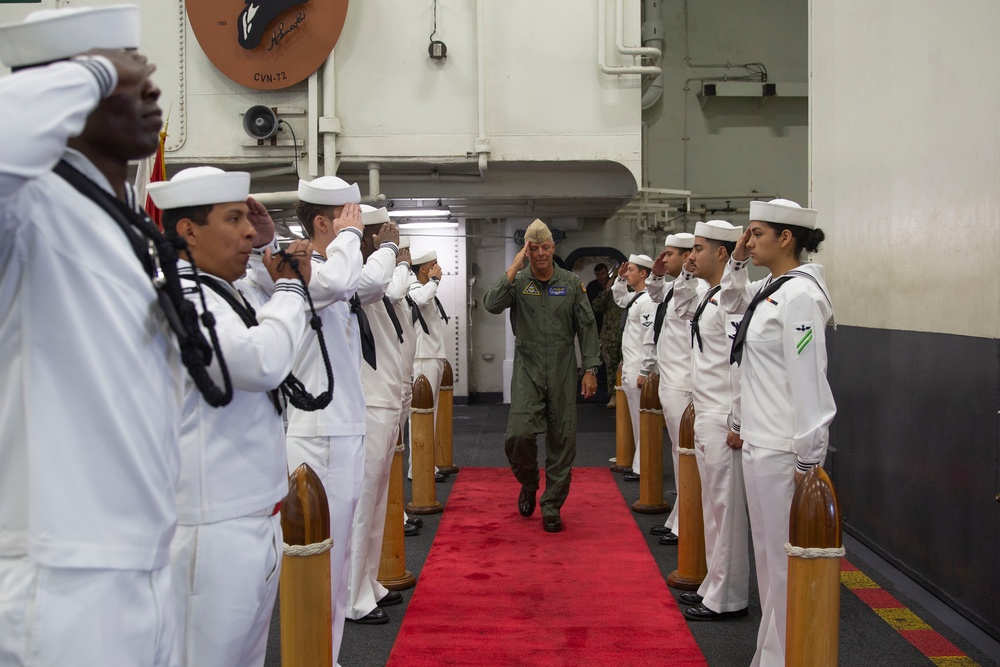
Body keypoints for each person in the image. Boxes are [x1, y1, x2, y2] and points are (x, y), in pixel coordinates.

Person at [0, 7, 183, 665]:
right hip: (64, 578)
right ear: (67, 87)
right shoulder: (26, 210)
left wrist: (104, 70)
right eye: (128, 76)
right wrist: (95, 71)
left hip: (145, 562)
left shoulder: (119, 223)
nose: (151, 86)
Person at [149, 167, 313, 667]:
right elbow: (260, 360)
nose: (248, 230)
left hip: (247, 518)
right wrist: (290, 291)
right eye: (233, 218)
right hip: (211, 529)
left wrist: (268, 245)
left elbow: (266, 300)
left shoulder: (218, 287)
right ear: (188, 231)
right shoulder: (181, 296)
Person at [718, 199, 835, 666]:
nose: (749, 240)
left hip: (785, 450)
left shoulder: (800, 296)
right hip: (759, 445)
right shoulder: (770, 287)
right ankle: (772, 655)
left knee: (785, 567)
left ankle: (788, 657)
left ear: (787, 238)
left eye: (757, 232)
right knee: (768, 565)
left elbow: (809, 378)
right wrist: (739, 257)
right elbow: (729, 301)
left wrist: (809, 459)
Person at [273, 175, 364, 660]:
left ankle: (325, 656)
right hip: (321, 437)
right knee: (322, 566)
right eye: (348, 220)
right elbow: (342, 278)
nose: (358, 230)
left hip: (339, 431)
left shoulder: (328, 270)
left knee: (340, 565)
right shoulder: (309, 271)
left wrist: (349, 241)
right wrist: (349, 238)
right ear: (323, 222)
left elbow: (357, 280)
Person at [483, 219, 600, 533]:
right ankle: (528, 482)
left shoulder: (571, 283)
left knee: (562, 438)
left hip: (562, 363)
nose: (540, 253)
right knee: (518, 434)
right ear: (527, 251)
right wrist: (513, 266)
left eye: (545, 247)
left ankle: (551, 506)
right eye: (533, 249)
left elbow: (586, 327)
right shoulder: (519, 282)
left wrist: (590, 369)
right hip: (528, 365)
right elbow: (491, 304)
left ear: (553, 248)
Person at [667, 220, 750, 622]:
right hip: (706, 410)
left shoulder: (732, 301)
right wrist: (685, 270)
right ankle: (713, 586)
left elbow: (738, 363)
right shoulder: (709, 295)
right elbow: (680, 304)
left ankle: (728, 596)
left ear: (722, 253)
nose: (691, 256)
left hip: (722, 417)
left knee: (726, 508)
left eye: (698, 249)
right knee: (713, 508)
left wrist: (737, 419)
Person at [348, 206, 407, 624]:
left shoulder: (377, 276)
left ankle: (369, 582)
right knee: (362, 503)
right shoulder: (357, 275)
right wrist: (385, 248)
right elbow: (373, 285)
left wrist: (385, 250)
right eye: (381, 232)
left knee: (378, 498)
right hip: (369, 400)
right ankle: (352, 596)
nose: (392, 238)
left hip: (385, 396)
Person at [645, 232, 696, 545]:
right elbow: (655, 294)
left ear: (689, 256)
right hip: (671, 381)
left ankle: (684, 523)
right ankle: (679, 516)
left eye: (671, 254)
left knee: (684, 459)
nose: (664, 258)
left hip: (684, 384)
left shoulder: (697, 289)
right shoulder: (678, 286)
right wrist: (656, 273)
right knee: (679, 458)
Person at [611, 254, 657, 481]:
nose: (626, 273)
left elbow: (650, 338)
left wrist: (645, 371)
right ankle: (640, 463)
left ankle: (643, 467)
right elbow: (620, 299)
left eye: (630, 270)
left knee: (643, 423)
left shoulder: (648, 300)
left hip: (639, 368)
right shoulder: (637, 298)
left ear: (644, 274)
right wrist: (619, 280)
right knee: (636, 421)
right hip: (630, 366)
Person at [406, 249, 450, 482]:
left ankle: (426, 464)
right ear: (423, 269)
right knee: (421, 416)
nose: (438, 268)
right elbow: (419, 300)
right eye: (434, 265)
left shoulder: (425, 288)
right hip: (422, 359)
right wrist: (434, 281)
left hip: (432, 356)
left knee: (430, 415)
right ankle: (418, 467)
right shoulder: (414, 288)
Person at [591, 274, 625, 407]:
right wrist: (607, 289)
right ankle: (613, 395)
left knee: (626, 368)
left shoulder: (630, 291)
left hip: (626, 336)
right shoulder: (608, 293)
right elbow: (596, 306)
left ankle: (625, 396)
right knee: (611, 369)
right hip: (609, 336)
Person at [586, 262, 611, 330]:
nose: (601, 277)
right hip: (597, 323)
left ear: (607, 273)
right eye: (598, 274)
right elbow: (589, 305)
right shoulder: (592, 286)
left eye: (603, 273)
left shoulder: (615, 284)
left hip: (612, 323)